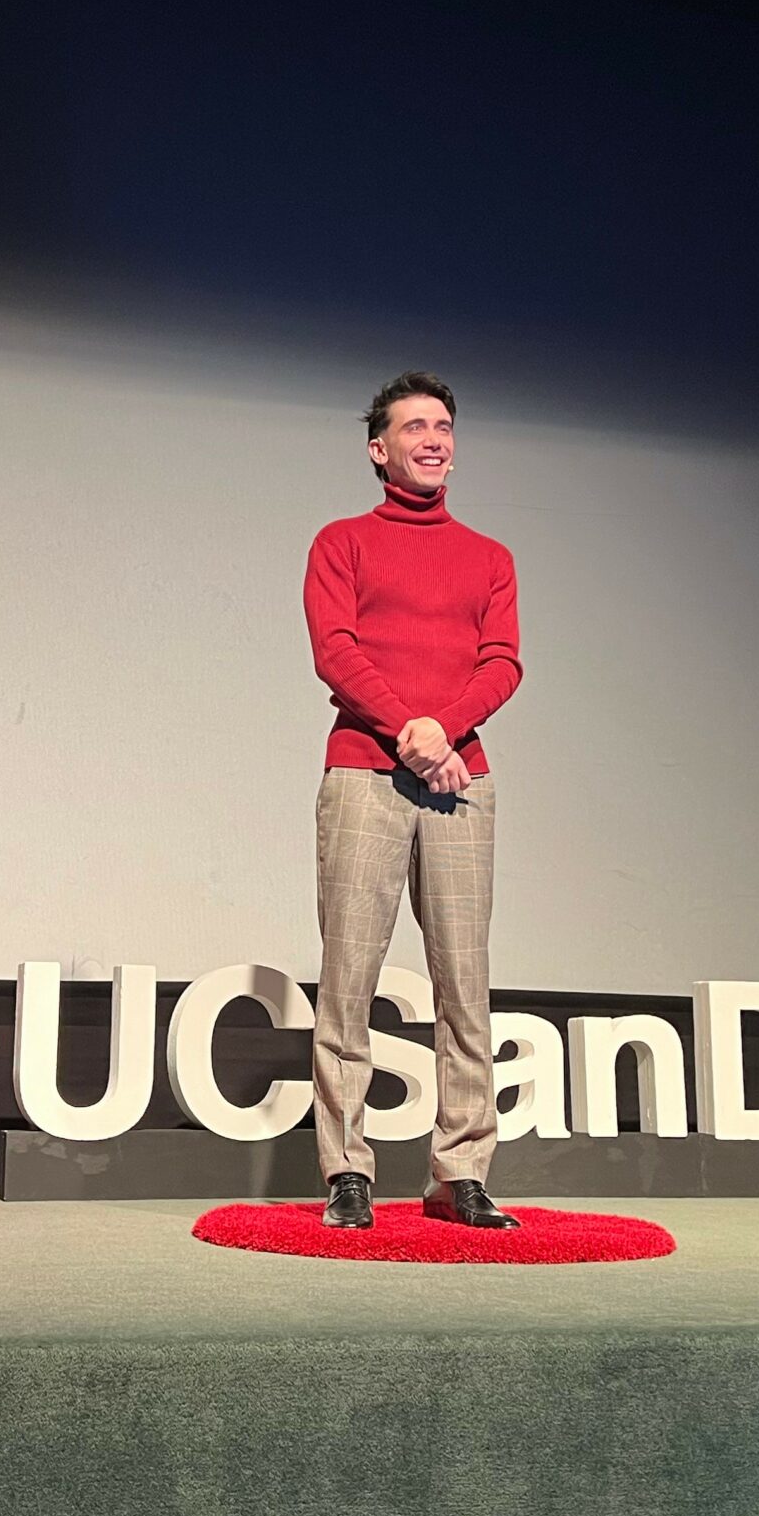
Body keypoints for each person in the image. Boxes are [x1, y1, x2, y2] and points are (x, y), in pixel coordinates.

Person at [301, 371, 524, 1231]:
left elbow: (502, 661)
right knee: (349, 978)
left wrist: (443, 733)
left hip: (461, 784)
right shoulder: (341, 542)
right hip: (364, 771)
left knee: (464, 981)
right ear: (378, 448)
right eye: (415, 426)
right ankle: (346, 1170)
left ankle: (458, 1172)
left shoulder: (490, 556)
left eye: (444, 426)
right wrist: (410, 732)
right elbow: (336, 651)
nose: (434, 438)